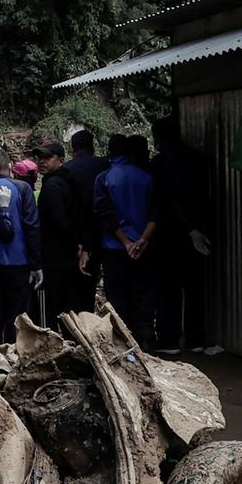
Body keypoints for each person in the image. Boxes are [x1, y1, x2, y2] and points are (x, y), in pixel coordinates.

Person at [150, 117, 218, 355]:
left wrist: (188, 228)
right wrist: (198, 229)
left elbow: (166, 200)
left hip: (168, 235)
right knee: (194, 288)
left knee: (167, 289)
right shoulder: (199, 159)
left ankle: (169, 340)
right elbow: (204, 197)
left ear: (158, 137)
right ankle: (195, 338)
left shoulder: (158, 163)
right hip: (198, 234)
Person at [94, 135, 159, 341]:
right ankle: (147, 341)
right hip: (144, 249)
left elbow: (105, 214)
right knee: (143, 296)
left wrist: (126, 242)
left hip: (116, 249)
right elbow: (156, 213)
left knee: (118, 298)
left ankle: (124, 343)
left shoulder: (104, 178)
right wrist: (143, 240)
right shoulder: (147, 177)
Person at [0, 148, 37, 342]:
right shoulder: (22, 188)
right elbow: (32, 226)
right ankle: (17, 356)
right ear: (10, 166)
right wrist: (37, 263)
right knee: (18, 315)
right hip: (19, 262)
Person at [33, 142, 86, 327]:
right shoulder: (67, 181)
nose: (41, 161)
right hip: (67, 255)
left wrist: (73, 246)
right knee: (68, 307)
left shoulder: (52, 186)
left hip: (55, 258)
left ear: (61, 160)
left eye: (47, 158)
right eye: (39, 158)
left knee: (51, 309)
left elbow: (60, 221)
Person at [63, 130, 110, 300]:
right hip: (104, 232)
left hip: (74, 236)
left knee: (73, 286)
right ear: (93, 146)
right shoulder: (105, 165)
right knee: (92, 283)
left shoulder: (66, 169)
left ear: (72, 148)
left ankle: (74, 321)